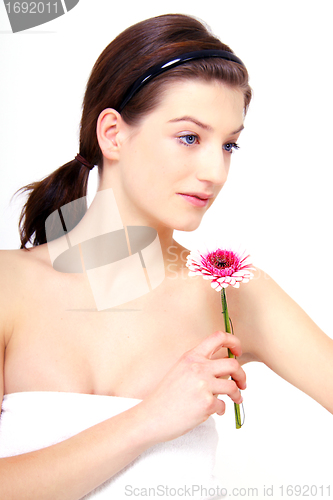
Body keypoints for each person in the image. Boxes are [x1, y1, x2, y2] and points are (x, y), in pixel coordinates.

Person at [0, 12, 332, 500]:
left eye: (229, 145)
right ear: (112, 134)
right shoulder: (10, 285)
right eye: (190, 138)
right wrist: (149, 420)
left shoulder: (230, 291)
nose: (215, 172)